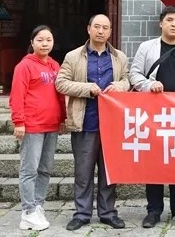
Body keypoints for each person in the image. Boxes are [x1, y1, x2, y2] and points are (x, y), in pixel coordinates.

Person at [55, 14, 130, 232]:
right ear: (88, 29)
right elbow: (61, 83)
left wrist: (120, 86)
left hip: (112, 125)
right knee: (83, 172)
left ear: (110, 32)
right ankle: (82, 213)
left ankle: (107, 213)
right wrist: (87, 88)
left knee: (109, 172)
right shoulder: (73, 56)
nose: (100, 31)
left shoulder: (119, 57)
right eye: (96, 27)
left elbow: (128, 80)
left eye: (105, 28)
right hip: (84, 122)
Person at [129, 6, 175, 229]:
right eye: (169, 20)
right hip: (153, 114)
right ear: (161, 23)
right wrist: (150, 85)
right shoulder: (147, 47)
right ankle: (154, 210)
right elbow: (134, 74)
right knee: (154, 162)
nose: (174, 24)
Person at [10, 25, 65, 232]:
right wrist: (19, 122)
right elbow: (17, 96)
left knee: (45, 168)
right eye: (40, 40)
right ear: (32, 42)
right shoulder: (24, 66)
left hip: (51, 124)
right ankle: (28, 210)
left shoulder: (54, 65)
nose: (44, 44)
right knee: (29, 169)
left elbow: (60, 94)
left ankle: (38, 205)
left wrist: (63, 118)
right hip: (32, 125)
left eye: (48, 40)